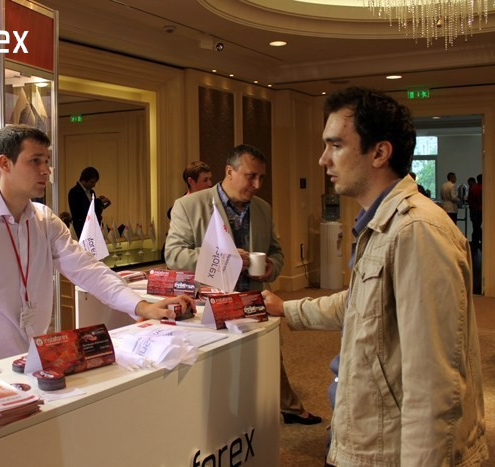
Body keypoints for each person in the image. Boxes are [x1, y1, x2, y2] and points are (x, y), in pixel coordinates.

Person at [262, 87, 487, 466]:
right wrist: (288, 309)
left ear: (380, 153)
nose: (322, 159)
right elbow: (361, 303)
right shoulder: (383, 224)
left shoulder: (415, 231)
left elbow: (432, 385)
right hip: (367, 436)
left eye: (335, 145)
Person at [0, 125, 193, 373]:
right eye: (35, 161)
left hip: (35, 364)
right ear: (5, 163)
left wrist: (141, 306)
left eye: (46, 161)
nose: (45, 170)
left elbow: (88, 269)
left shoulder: (44, 220)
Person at [165, 143, 321, 425]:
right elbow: (174, 255)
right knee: (217, 369)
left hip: (253, 300)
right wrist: (224, 256)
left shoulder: (262, 208)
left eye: (261, 178)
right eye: (251, 176)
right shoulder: (189, 206)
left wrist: (272, 267)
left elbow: (276, 252)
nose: (257, 185)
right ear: (230, 172)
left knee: (267, 356)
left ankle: (283, 409)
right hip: (208, 306)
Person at [68, 167, 112, 237]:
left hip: (93, 228)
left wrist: (101, 205)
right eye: (92, 182)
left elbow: (94, 211)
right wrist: (98, 202)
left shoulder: (91, 192)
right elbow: (80, 213)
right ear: (84, 180)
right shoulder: (74, 192)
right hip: (82, 230)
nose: (94, 185)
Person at [468, 174, 483, 249]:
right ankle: (481, 240)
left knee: (475, 227)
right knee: (477, 227)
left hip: (474, 210)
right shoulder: (484, 188)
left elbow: (470, 199)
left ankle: (475, 243)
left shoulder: (474, 188)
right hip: (480, 210)